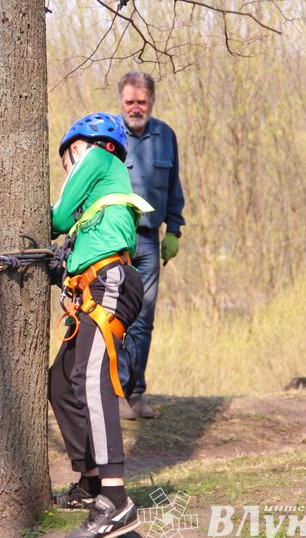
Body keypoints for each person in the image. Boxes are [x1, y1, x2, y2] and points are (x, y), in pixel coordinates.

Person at [49, 112, 152, 538]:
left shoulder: (97, 156)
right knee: (61, 382)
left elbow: (56, 217)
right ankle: (91, 480)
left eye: (67, 159)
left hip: (108, 282)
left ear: (80, 145)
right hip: (97, 284)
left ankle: (114, 499)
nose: (68, 169)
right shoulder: (98, 206)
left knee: (92, 380)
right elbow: (76, 241)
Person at [115, 71, 187, 420]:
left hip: (148, 240)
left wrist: (174, 230)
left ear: (152, 101)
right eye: (130, 101)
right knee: (116, 317)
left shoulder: (166, 136)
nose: (135, 108)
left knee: (144, 319)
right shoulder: (109, 136)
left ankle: (136, 393)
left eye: (141, 102)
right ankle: (115, 392)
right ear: (121, 101)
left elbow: (173, 187)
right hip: (115, 240)